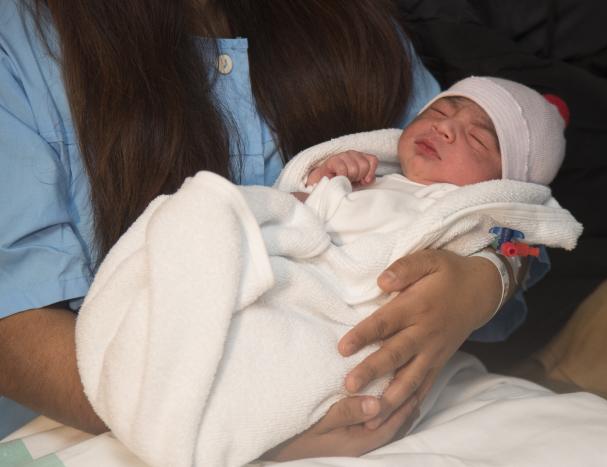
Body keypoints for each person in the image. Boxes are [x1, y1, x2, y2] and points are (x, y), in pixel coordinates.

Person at [0, 0, 540, 459]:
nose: (449, 126)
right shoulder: (21, 44)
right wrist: (250, 429)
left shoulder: (361, 33)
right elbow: (12, 326)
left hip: (370, 398)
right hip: (126, 421)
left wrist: (485, 281)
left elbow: (502, 202)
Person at [71, 76, 580, 466]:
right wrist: (326, 180)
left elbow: (529, 249)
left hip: (351, 315)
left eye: (479, 138)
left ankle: (213, 420)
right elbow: (302, 213)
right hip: (296, 272)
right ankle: (183, 394)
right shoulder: (373, 174)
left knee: (285, 353)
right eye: (441, 110)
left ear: (505, 185)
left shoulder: (477, 216)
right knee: (194, 214)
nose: (446, 126)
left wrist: (486, 279)